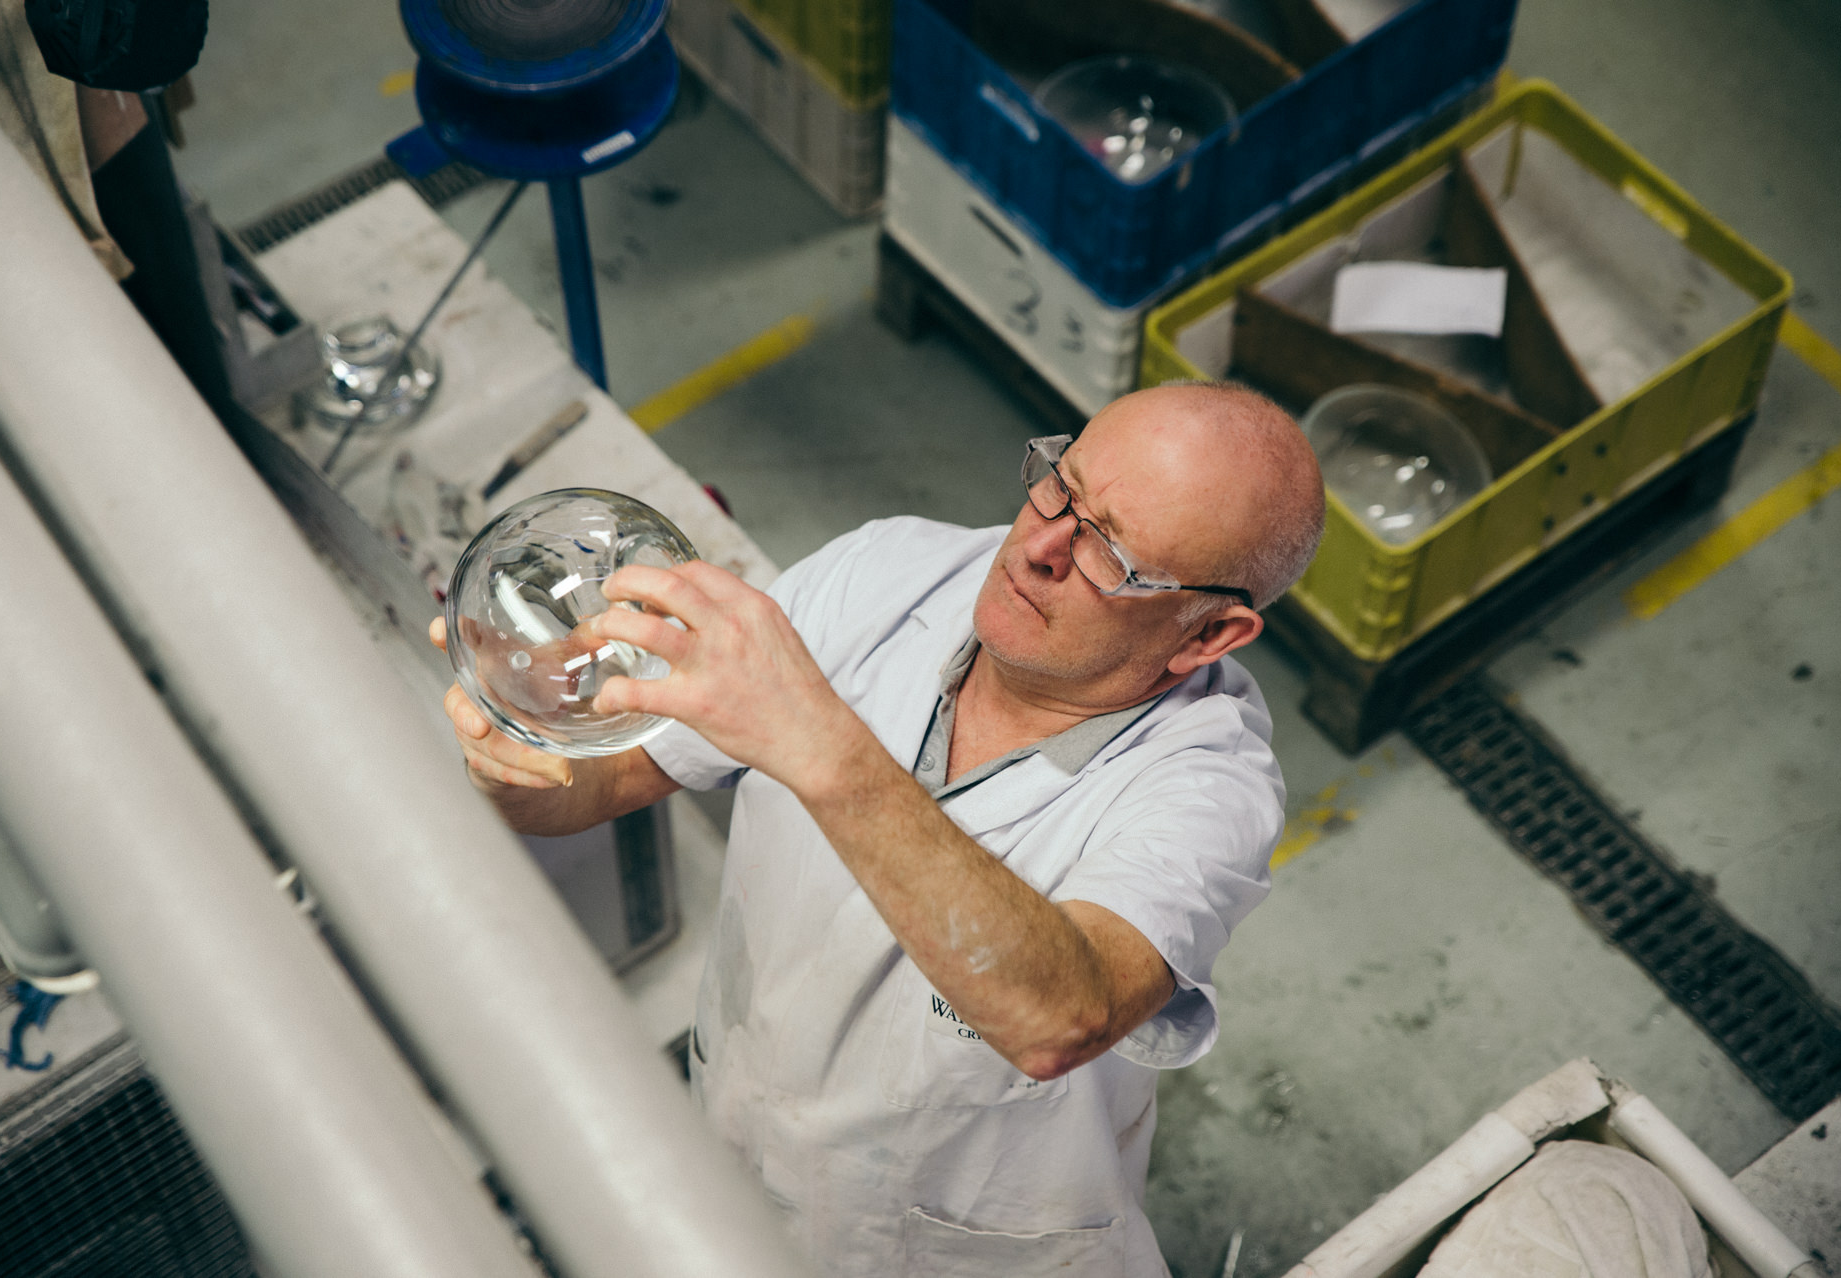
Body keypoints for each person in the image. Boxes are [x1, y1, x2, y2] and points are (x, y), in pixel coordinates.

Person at [432, 380, 1325, 1276]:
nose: (1043, 545)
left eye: (1112, 556)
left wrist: (817, 739)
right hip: (738, 1148)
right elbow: (610, 775)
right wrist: (514, 770)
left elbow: (1062, 1014)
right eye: (1062, 486)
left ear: (1209, 633)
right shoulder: (888, 574)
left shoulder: (1210, 789)